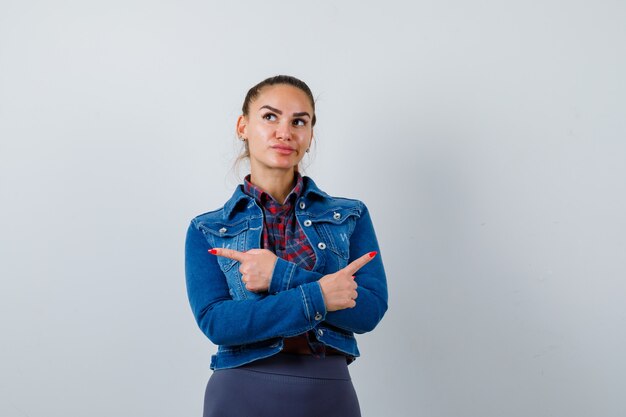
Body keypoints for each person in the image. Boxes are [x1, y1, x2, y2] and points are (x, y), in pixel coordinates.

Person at [185, 75, 388, 417]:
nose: (285, 132)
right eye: (269, 117)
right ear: (243, 126)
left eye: (299, 121)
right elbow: (218, 324)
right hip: (240, 391)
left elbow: (368, 312)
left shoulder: (350, 216)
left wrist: (281, 276)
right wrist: (321, 295)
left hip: (328, 391)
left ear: (309, 136)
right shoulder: (208, 229)